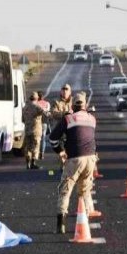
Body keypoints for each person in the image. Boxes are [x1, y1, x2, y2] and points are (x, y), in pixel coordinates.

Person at [49, 92, 97, 234]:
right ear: (85, 105)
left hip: (74, 159)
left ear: (72, 105)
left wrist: (60, 151)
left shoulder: (68, 119)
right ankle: (85, 222)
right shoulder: (92, 119)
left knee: (65, 190)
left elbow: (53, 138)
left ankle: (61, 224)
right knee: (85, 190)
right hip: (91, 158)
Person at [22, 92, 48, 169]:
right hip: (36, 130)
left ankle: (27, 163)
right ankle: (33, 163)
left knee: (28, 147)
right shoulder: (37, 107)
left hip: (27, 130)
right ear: (37, 98)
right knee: (35, 146)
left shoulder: (25, 108)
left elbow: (22, 119)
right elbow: (45, 114)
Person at [36, 90, 51, 160]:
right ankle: (42, 153)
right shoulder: (47, 103)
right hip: (44, 122)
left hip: (37, 123)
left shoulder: (35, 104)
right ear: (42, 96)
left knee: (37, 138)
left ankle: (37, 152)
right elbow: (48, 113)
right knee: (43, 138)